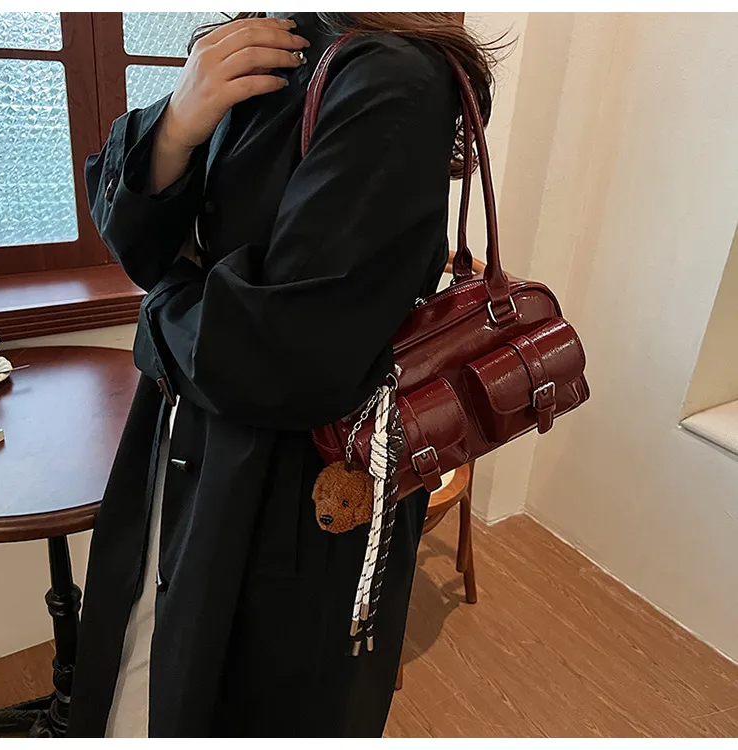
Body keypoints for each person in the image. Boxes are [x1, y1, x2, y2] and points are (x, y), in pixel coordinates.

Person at [67, 12, 498, 738]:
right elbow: (135, 240)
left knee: (244, 699)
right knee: (149, 672)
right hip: (193, 442)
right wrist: (174, 129)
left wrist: (163, 303)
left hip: (298, 492)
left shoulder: (388, 79)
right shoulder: (259, 39)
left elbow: (282, 355)